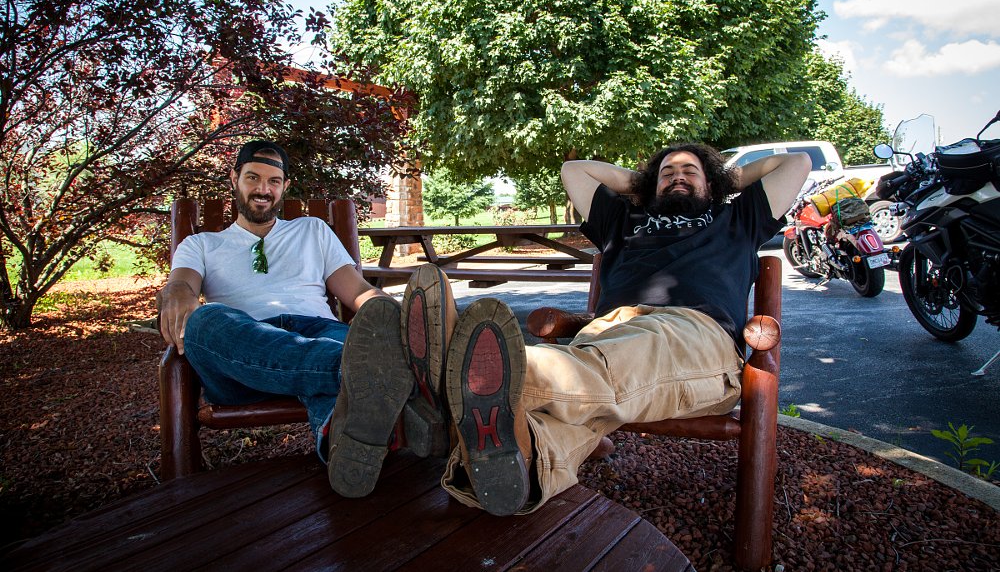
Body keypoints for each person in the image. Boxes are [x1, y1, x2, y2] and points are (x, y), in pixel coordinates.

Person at [327, 143, 809, 517]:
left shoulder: (736, 217)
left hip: (691, 333)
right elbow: (574, 170)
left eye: (690, 171)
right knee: (569, 407)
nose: (677, 176)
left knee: (595, 368)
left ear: (713, 183)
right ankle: (522, 465)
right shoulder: (625, 219)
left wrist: (724, 178)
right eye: (667, 172)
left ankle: (448, 370)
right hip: (606, 333)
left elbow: (797, 163)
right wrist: (644, 182)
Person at [157, 140, 413, 465]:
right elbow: (181, 285)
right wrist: (177, 291)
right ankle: (365, 369)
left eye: (274, 181)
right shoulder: (201, 245)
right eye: (253, 178)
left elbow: (359, 291)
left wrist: (406, 320)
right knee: (204, 321)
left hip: (320, 333)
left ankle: (343, 449)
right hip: (243, 357)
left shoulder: (313, 230)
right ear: (234, 178)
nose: (263, 189)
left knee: (340, 359)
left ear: (285, 186)